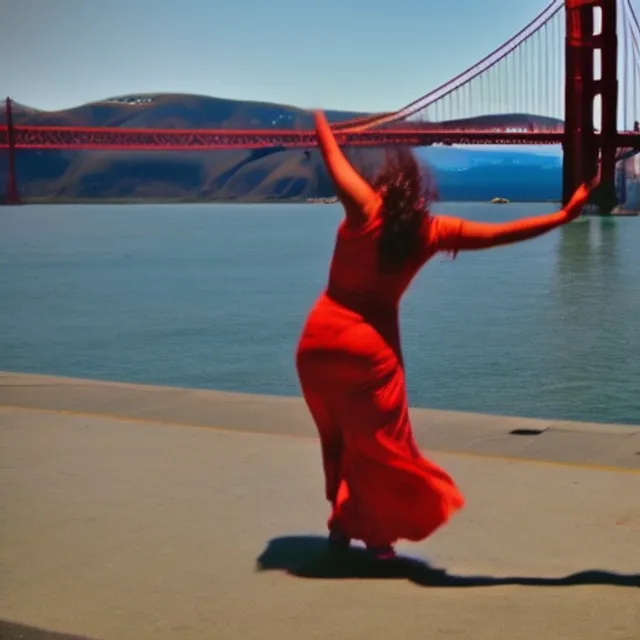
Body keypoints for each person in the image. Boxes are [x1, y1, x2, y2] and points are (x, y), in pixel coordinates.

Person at [295, 111, 599, 561]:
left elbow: (332, 156)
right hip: (369, 352)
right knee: (379, 444)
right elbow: (501, 234)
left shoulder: (363, 207)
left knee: (338, 438)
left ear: (385, 186)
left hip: (317, 344)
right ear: (418, 196)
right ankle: (377, 539)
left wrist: (318, 116)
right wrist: (564, 215)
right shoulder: (432, 232)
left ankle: (342, 526)